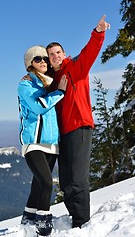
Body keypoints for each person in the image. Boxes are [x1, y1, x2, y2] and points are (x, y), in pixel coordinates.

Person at [45, 15, 110, 228]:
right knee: (65, 179)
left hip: (80, 127)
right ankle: (74, 216)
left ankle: (82, 223)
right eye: (50, 54)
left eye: (57, 53)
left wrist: (98, 32)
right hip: (63, 132)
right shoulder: (52, 81)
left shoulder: (75, 67)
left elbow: (90, 52)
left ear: (63, 54)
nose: (54, 56)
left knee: (78, 177)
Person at [17, 45, 67, 236]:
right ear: (30, 64)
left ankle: (27, 220)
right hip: (34, 142)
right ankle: (43, 226)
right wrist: (59, 92)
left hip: (51, 143)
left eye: (45, 58)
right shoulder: (25, 85)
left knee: (38, 184)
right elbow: (39, 107)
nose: (44, 61)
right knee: (46, 182)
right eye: (38, 59)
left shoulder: (48, 83)